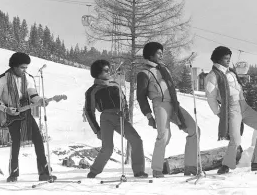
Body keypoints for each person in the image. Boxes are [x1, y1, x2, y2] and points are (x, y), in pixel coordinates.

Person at [137, 42, 200, 178]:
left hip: (174, 104)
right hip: (160, 104)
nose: (161, 55)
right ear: (150, 55)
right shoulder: (144, 73)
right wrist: (149, 116)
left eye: (162, 53)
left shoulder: (165, 69)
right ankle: (157, 169)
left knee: (194, 130)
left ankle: (190, 167)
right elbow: (141, 97)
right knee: (164, 136)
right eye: (159, 53)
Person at [0, 52, 56, 182]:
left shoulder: (29, 78)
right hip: (10, 114)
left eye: (26, 67)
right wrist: (5, 109)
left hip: (26, 113)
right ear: (14, 66)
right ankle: (13, 174)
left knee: (38, 141)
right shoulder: (3, 79)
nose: (24, 70)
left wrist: (40, 100)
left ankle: (44, 172)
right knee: (16, 143)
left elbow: (33, 96)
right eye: (22, 67)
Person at [84, 59, 148, 178]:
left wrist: (127, 118)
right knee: (108, 148)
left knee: (136, 140)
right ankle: (94, 171)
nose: (109, 72)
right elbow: (89, 111)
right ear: (98, 73)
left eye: (109, 70)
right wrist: (97, 130)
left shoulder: (115, 85)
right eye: (106, 70)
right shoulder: (92, 91)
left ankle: (139, 171)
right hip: (106, 119)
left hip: (120, 117)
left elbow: (124, 103)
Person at [205, 46, 257, 174]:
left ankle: (255, 162)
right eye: (225, 58)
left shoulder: (231, 72)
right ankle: (226, 165)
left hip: (243, 105)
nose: (228, 60)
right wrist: (219, 113)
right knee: (235, 139)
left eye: (229, 58)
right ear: (218, 59)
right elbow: (211, 97)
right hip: (232, 108)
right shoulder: (213, 76)